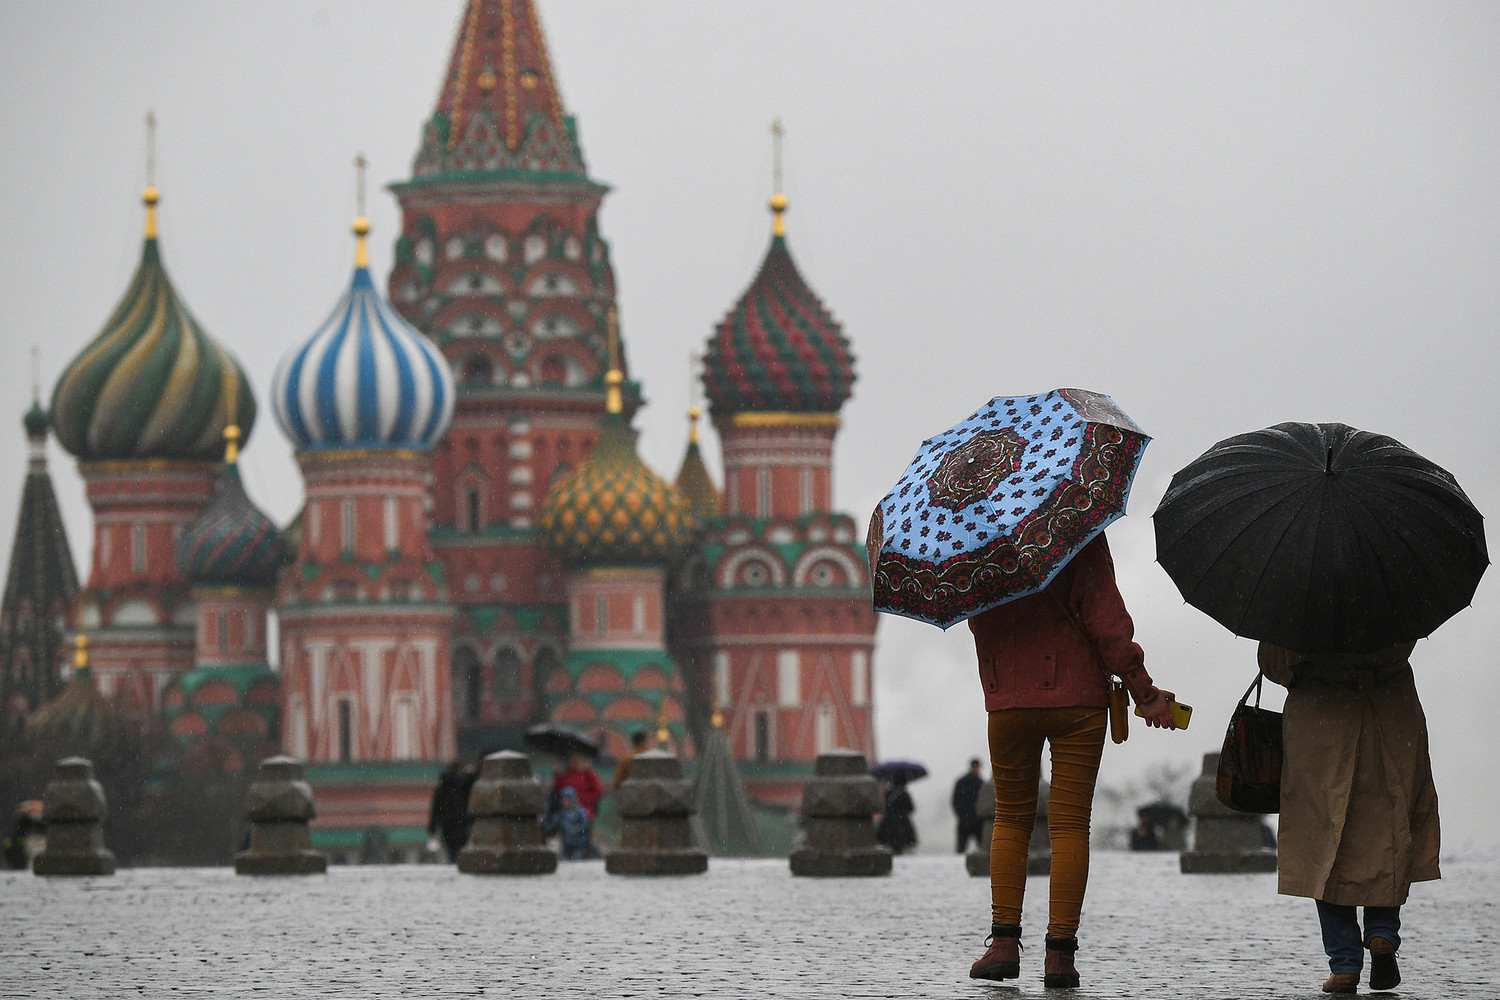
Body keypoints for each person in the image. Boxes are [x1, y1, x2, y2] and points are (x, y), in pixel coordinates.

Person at [967, 534, 1178, 987]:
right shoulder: (1075, 521)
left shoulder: (972, 536)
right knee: (1068, 825)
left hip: (1007, 698)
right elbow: (1107, 623)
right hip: (1077, 698)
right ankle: (1059, 955)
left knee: (1010, 820)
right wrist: (1144, 691)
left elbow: (976, 621)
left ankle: (1003, 944)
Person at [1259, 641, 1438, 994]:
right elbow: (1405, 642)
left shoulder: (1297, 598)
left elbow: (1276, 665)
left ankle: (1344, 964)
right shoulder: (1391, 590)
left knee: (1322, 838)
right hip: (1391, 714)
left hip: (1321, 720)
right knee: (1388, 827)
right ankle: (1382, 934)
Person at [426, 760, 476, 862]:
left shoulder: (441, 788)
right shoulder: (463, 785)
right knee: (461, 849)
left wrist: (432, 828)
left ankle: (454, 864)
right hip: (462, 824)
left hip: (447, 826)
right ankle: (459, 864)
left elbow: (436, 810)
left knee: (452, 851)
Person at [552, 752, 605, 820]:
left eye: (576, 759)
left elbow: (599, 791)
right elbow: (559, 787)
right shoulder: (569, 772)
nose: (573, 761)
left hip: (584, 809)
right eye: (572, 759)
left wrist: (583, 799)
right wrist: (557, 774)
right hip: (568, 808)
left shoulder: (588, 773)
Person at [545, 787, 592, 860]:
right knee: (564, 860)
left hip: (578, 842)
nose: (565, 801)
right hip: (567, 843)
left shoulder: (579, 812)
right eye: (563, 799)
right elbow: (552, 825)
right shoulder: (561, 814)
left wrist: (576, 829)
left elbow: (585, 824)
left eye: (567, 799)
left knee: (578, 859)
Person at [876, 774, 917, 855]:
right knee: (901, 841)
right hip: (902, 822)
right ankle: (898, 852)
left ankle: (894, 852)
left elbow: (885, 806)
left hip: (889, 821)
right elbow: (911, 808)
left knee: (891, 841)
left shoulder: (889, 793)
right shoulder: (904, 794)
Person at [952, 758, 986, 853]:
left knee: (962, 847)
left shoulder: (962, 782)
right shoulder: (980, 782)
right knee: (981, 847)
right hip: (974, 819)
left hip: (969, 818)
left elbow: (955, 801)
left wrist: (961, 814)